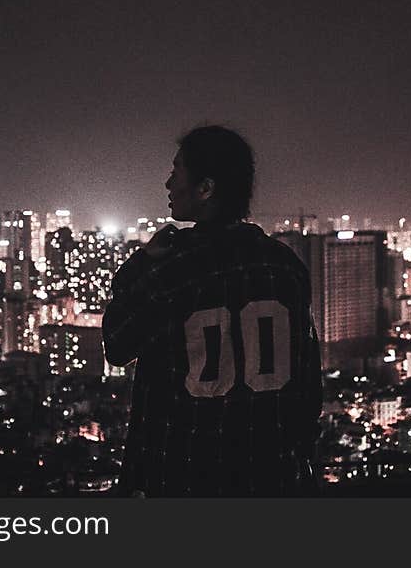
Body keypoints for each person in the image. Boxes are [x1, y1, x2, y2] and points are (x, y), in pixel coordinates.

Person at [103, 125, 323, 496]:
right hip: (272, 476)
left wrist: (139, 264)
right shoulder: (285, 267)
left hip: (186, 474)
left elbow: (118, 344)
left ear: (205, 188)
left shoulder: (173, 268)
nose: (168, 184)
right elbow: (308, 382)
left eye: (177, 172)